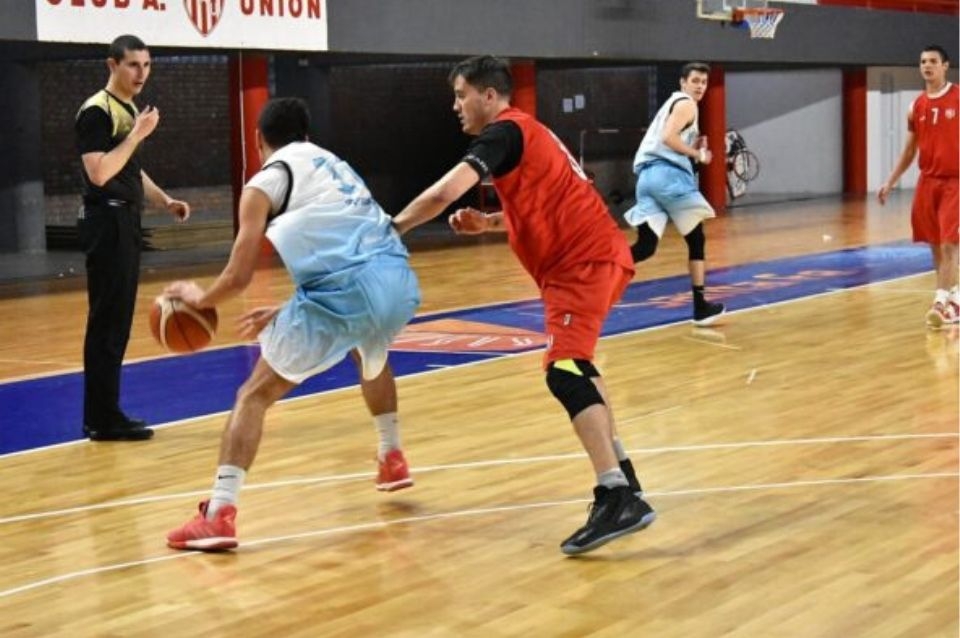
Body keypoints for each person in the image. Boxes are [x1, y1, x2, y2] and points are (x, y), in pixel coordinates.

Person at [392, 55, 656, 556]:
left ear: (489, 96)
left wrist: (391, 229)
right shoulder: (526, 135)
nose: (456, 106)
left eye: (461, 95)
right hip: (586, 261)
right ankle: (625, 478)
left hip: (581, 264)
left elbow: (444, 193)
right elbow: (544, 205)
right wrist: (488, 223)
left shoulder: (504, 133)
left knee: (564, 371)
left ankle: (616, 494)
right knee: (580, 367)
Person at [166, 97, 421, 551]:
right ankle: (392, 455)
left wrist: (199, 299)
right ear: (306, 135)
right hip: (399, 283)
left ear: (258, 140)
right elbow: (351, 254)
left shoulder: (263, 183)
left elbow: (239, 277)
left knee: (253, 395)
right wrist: (289, 309)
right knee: (366, 343)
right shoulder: (334, 165)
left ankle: (219, 513)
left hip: (347, 293)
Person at [76, 34, 190, 441]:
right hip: (106, 221)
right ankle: (101, 419)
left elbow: (130, 170)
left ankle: (106, 413)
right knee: (107, 321)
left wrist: (165, 200)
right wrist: (137, 135)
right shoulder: (97, 111)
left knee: (118, 321)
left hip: (125, 220)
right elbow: (100, 172)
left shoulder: (127, 111)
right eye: (133, 65)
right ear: (113, 65)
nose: (142, 73)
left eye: (147, 65)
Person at [623, 62, 725, 326]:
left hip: (647, 179)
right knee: (697, 240)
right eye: (695, 81)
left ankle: (596, 274)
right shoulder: (687, 104)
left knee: (645, 247)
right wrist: (697, 154)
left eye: (704, 82)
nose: (700, 86)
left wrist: (691, 146)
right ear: (683, 82)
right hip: (668, 178)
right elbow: (668, 137)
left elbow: (669, 138)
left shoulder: (672, 104)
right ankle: (700, 307)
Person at [878, 44, 959, 328]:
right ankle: (954, 298)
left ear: (945, 66)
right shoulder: (916, 106)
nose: (927, 66)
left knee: (949, 244)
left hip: (955, 182)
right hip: (928, 182)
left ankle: (940, 301)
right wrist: (890, 180)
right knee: (935, 245)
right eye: (923, 61)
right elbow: (910, 150)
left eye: (933, 61)